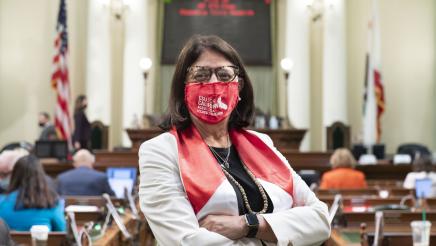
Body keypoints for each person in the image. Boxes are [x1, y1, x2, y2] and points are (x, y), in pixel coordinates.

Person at [138, 35, 330, 245]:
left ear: (239, 86)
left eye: (224, 74)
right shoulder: (160, 151)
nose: (213, 83)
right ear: (183, 87)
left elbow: (321, 220)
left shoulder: (262, 143)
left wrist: (247, 225)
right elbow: (187, 241)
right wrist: (279, 231)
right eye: (200, 75)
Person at [0, 155, 66, 231]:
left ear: (14, 176)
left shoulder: (2, 201)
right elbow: (62, 230)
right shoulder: (51, 202)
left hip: (9, 242)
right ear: (41, 175)